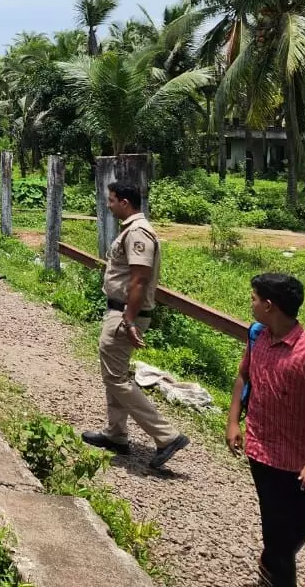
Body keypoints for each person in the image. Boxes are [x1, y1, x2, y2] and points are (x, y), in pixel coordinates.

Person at [226, 273, 305, 587]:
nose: (250, 303)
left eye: (253, 298)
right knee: (278, 539)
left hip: (303, 465)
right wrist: (234, 421)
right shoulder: (258, 336)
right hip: (262, 454)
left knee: (292, 537)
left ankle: (268, 571)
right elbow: (243, 377)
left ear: (269, 305)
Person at [82, 181, 190, 469]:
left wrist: (128, 319)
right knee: (114, 374)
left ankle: (167, 436)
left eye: (112, 200)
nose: (109, 205)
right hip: (120, 312)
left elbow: (140, 279)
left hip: (124, 314)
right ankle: (116, 434)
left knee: (117, 379)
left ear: (126, 202)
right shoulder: (132, 229)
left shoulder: (139, 233)